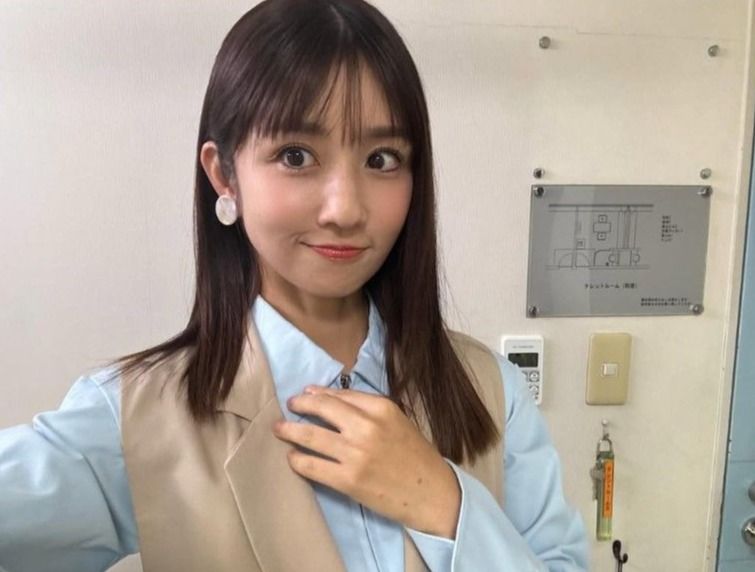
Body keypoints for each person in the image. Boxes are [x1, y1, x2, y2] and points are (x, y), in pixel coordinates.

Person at [0, 0, 588, 570]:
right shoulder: (135, 415)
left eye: (382, 159)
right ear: (224, 174)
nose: (345, 209)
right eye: (296, 155)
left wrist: (445, 506)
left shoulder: (490, 392)